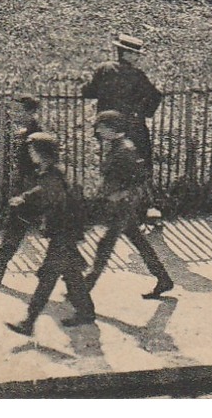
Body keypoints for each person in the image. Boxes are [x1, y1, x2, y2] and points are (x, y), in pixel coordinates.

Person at [5, 132, 96, 336]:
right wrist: (25, 198)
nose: (30, 154)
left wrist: (28, 203)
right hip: (65, 231)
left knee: (48, 276)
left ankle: (29, 321)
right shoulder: (54, 171)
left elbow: (52, 198)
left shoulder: (52, 174)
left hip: (62, 231)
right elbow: (44, 190)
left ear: (41, 152)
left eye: (32, 150)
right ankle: (86, 312)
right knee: (72, 274)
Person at [86, 111, 173, 298]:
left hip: (121, 207)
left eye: (101, 127)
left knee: (105, 245)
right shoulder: (117, 146)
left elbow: (140, 179)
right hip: (118, 206)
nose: (98, 131)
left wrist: (120, 194)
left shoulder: (125, 149)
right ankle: (163, 278)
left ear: (111, 128)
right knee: (139, 242)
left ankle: (85, 287)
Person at [0, 94, 44, 284]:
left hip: (31, 190)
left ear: (30, 112)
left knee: (46, 230)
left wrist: (27, 193)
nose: (14, 114)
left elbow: (40, 166)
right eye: (13, 110)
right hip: (24, 187)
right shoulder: (25, 132)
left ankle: (76, 268)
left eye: (18, 110)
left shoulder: (36, 134)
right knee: (14, 228)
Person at [82, 34, 162, 162]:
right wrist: (143, 112)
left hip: (107, 126)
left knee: (110, 159)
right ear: (126, 54)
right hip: (131, 126)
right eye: (135, 54)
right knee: (136, 159)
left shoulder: (104, 69)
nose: (137, 57)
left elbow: (88, 91)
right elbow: (155, 96)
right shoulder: (136, 74)